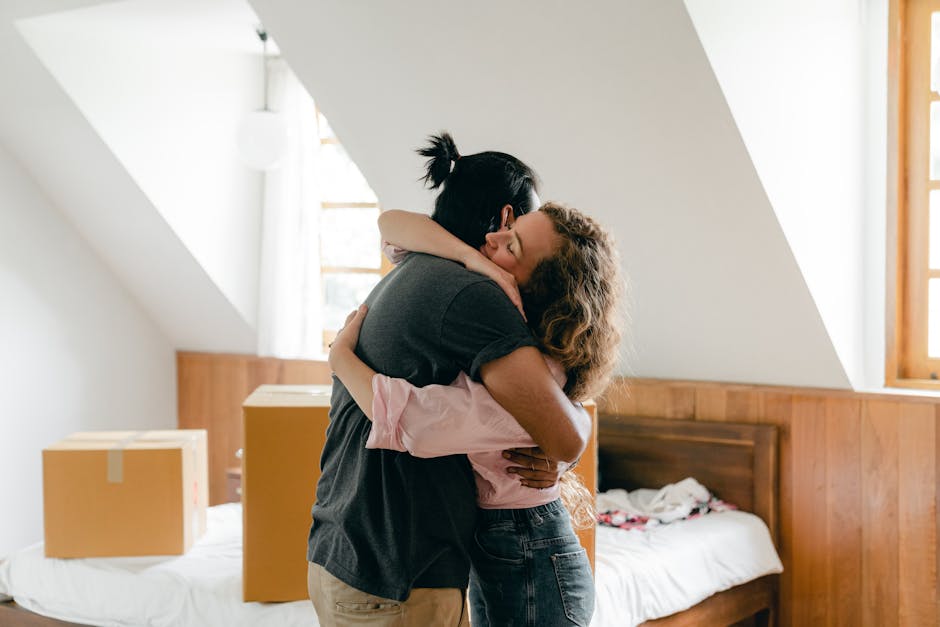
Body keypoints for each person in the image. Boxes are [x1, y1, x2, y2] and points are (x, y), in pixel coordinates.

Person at [306, 133, 592, 626]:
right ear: (505, 217)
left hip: (347, 549)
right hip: (398, 568)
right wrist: (339, 358)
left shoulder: (415, 266)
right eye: (522, 223)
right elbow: (560, 434)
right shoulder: (475, 295)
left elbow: (392, 221)